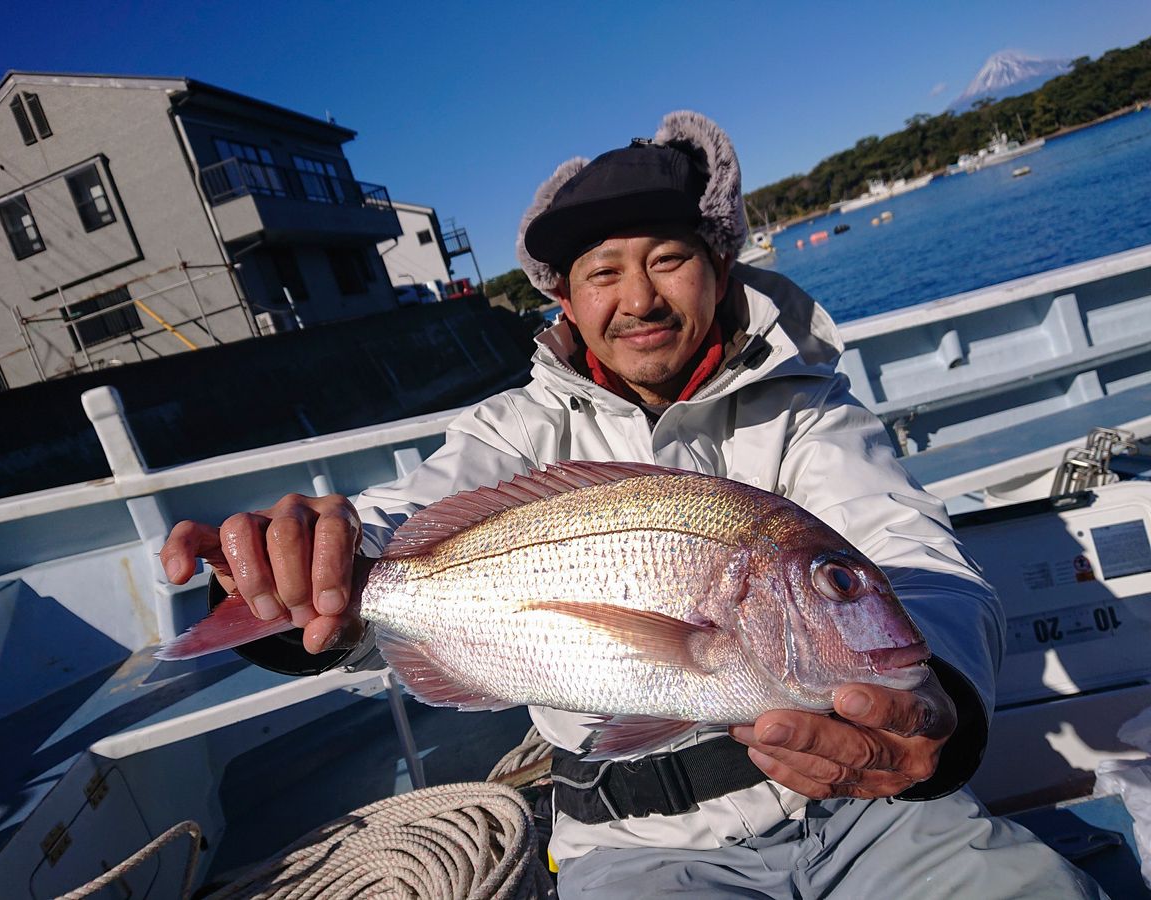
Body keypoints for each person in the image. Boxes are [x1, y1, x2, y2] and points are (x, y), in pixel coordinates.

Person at [160, 111, 1107, 898]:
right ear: (565, 303)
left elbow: (914, 558)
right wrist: (287, 573)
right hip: (636, 848)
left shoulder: (810, 411)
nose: (637, 297)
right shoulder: (508, 433)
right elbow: (389, 532)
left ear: (720, 266)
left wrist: (934, 693)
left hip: (865, 809)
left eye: (667, 258)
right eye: (601, 272)